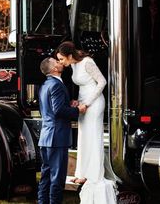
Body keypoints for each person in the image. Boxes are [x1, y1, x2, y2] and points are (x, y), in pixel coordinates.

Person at [56, 41, 117, 204]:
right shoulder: (74, 65)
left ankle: (95, 174)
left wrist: (87, 103)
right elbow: (83, 86)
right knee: (83, 136)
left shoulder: (87, 62)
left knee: (93, 136)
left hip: (95, 103)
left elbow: (102, 82)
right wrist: (78, 102)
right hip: (83, 103)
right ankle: (83, 173)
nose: (61, 63)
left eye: (61, 59)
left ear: (69, 56)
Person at [37, 57, 87, 204]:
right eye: (56, 62)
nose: (60, 63)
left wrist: (69, 105)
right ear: (54, 69)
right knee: (57, 179)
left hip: (46, 136)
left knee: (46, 176)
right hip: (57, 138)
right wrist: (77, 110)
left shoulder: (45, 85)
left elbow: (50, 110)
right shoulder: (57, 85)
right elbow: (58, 111)